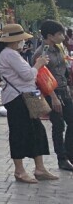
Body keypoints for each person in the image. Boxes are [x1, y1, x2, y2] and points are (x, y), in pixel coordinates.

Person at [0, 23, 58, 183]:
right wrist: (39, 64)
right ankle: (19, 170)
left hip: (26, 96)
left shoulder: (12, 53)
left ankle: (40, 167)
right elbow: (28, 75)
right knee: (19, 133)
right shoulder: (9, 54)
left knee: (37, 130)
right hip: (17, 98)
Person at [35, 20, 73, 172]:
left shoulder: (59, 49)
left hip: (64, 90)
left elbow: (65, 70)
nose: (63, 37)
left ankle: (69, 153)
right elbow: (41, 76)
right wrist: (53, 97)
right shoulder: (42, 53)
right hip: (52, 93)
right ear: (50, 36)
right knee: (58, 125)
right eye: (59, 34)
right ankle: (61, 158)